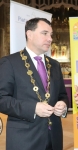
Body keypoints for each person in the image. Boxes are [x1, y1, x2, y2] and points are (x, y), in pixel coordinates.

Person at [0, 18, 69, 150]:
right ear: (29, 34)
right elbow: (2, 99)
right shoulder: (10, 63)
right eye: (45, 33)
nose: (50, 38)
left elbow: (62, 95)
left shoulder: (54, 65)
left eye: (51, 34)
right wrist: (33, 108)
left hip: (54, 139)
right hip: (25, 140)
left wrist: (63, 105)